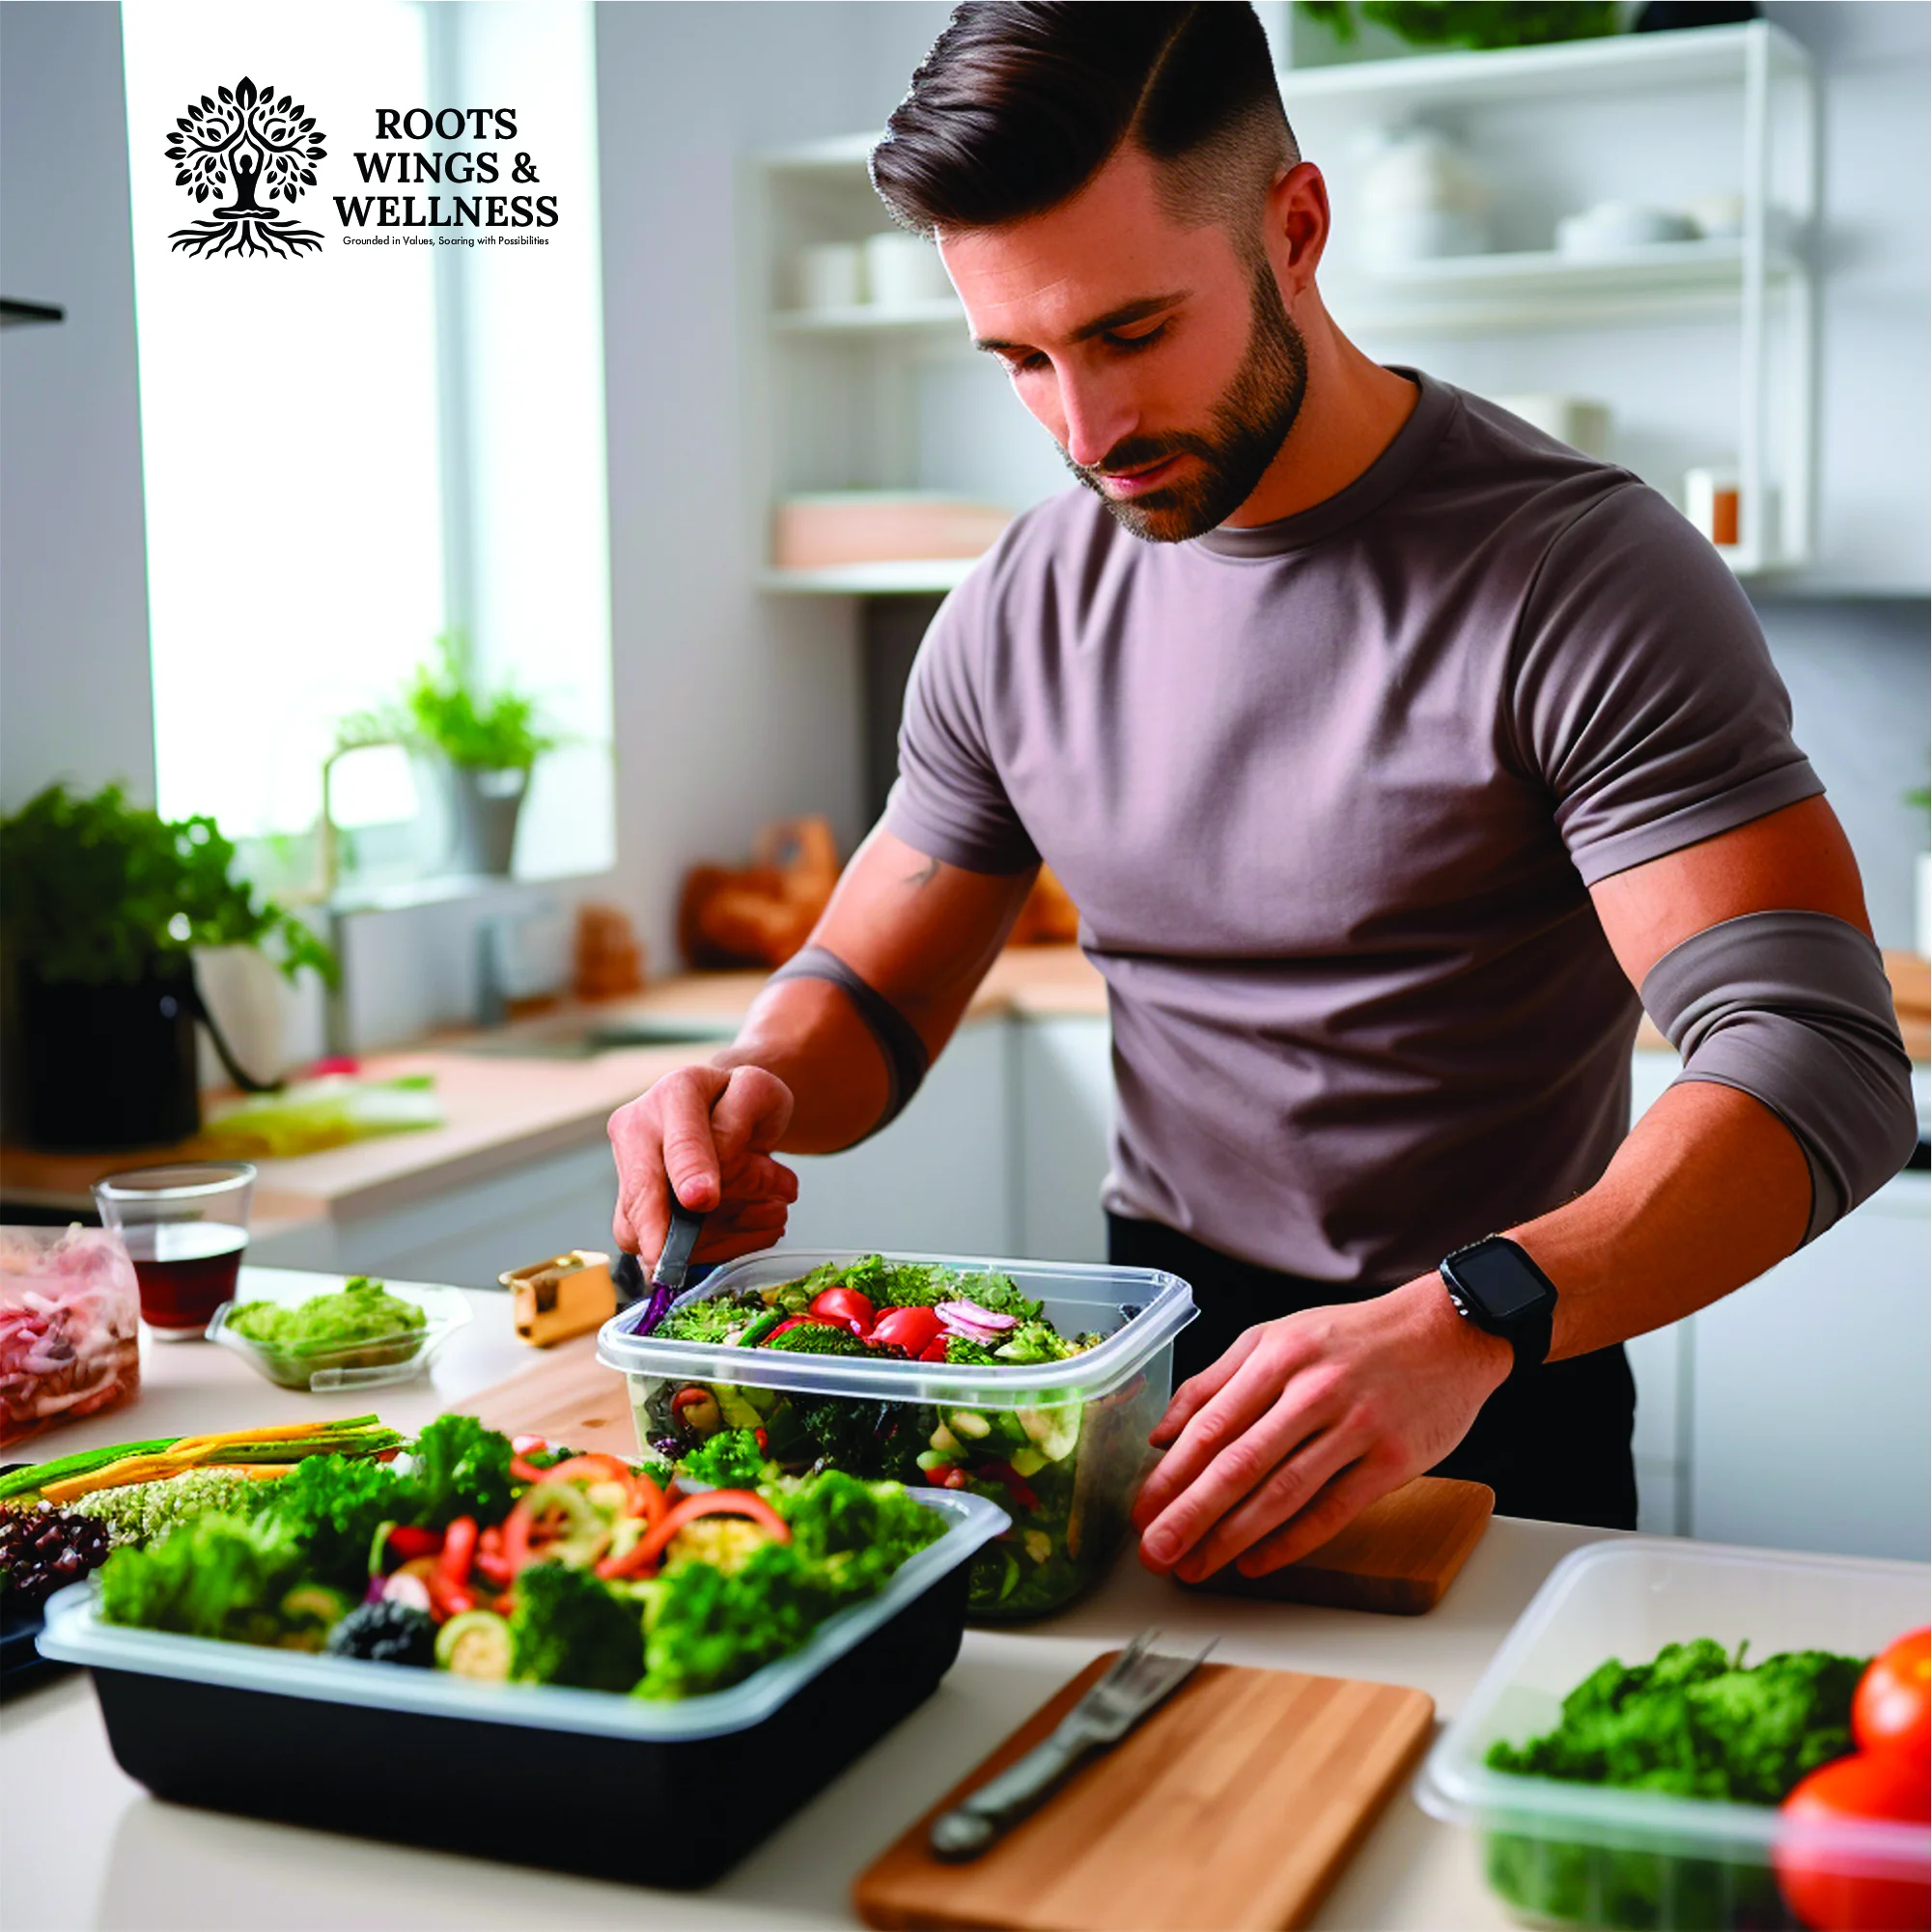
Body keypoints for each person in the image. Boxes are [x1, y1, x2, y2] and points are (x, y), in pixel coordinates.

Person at [608, 3, 1916, 1584]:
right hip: (1140, 1371)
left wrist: (1468, 1319)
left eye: (1132, 332)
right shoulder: (1021, 601)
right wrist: (745, 1089)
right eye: (1022, 358)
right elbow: (870, 990)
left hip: (1489, 1366)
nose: (1087, 434)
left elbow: (1824, 1059)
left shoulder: (1578, 575)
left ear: (1295, 227)